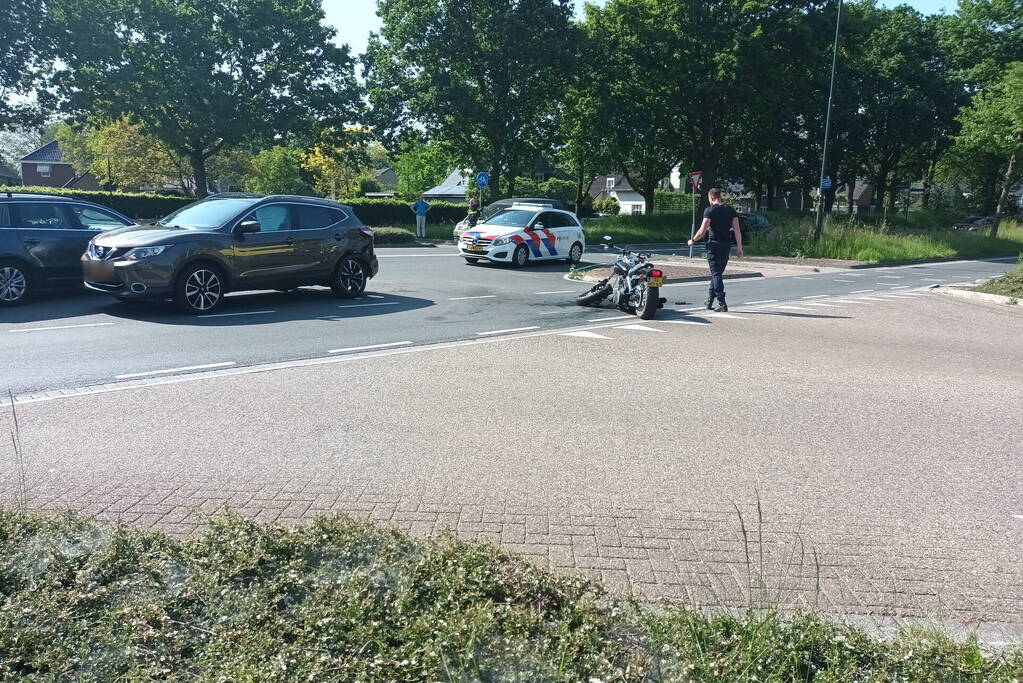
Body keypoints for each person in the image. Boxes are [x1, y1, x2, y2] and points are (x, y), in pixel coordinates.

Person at [687, 188, 743, 312]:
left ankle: (722, 303)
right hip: (726, 246)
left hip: (713, 245)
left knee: (716, 274)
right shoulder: (731, 210)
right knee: (717, 274)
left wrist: (693, 241)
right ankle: (709, 300)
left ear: (711, 197)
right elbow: (737, 230)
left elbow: (702, 231)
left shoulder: (710, 210)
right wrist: (739, 247)